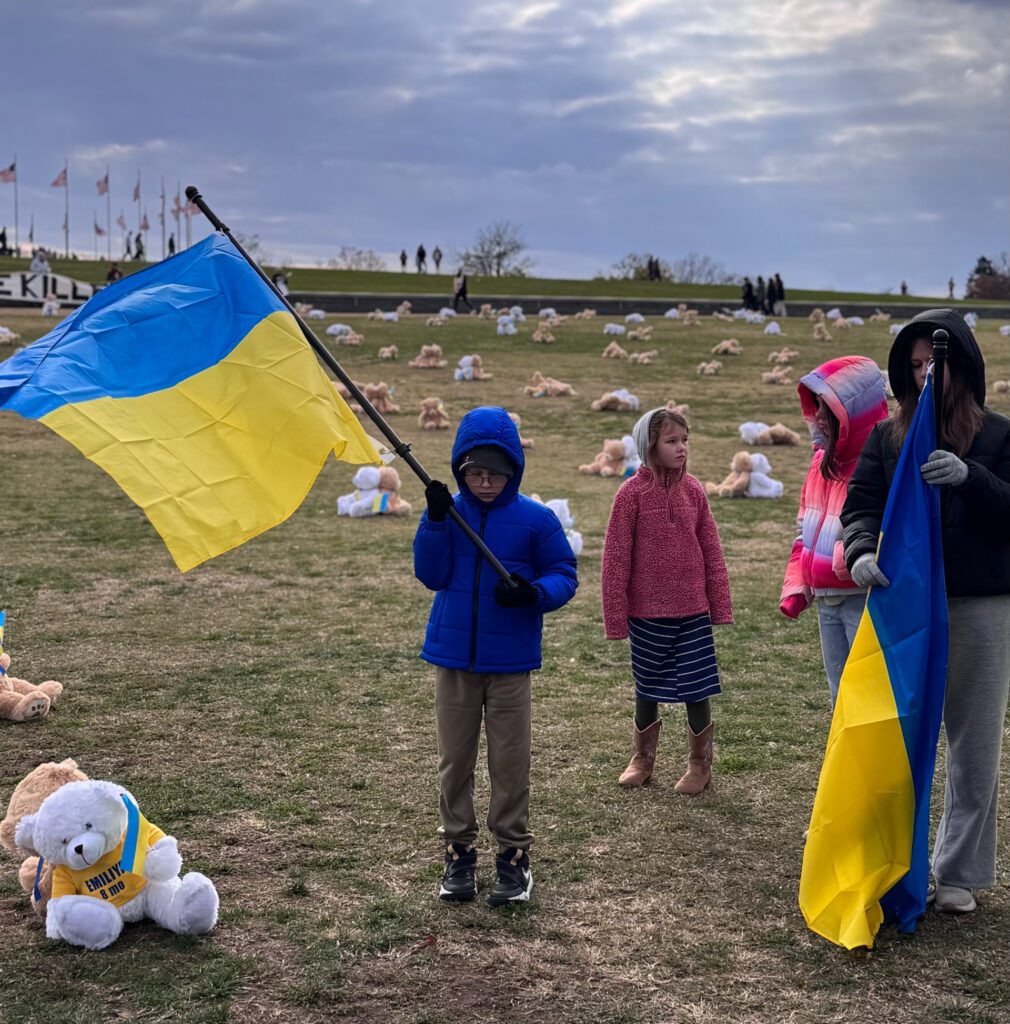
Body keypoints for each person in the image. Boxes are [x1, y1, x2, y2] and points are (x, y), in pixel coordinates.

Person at [841, 308, 1010, 915]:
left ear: (959, 366)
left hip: (981, 606)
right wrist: (860, 550)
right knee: (896, 735)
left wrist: (971, 478)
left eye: (932, 365)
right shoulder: (890, 437)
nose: (922, 377)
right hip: (908, 607)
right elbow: (860, 505)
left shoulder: (999, 435)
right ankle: (891, 861)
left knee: (974, 745)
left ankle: (959, 871)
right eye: (913, 366)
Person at [414, 406, 578, 906]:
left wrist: (534, 593)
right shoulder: (449, 514)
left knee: (510, 763)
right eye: (474, 473)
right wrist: (437, 522)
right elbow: (432, 574)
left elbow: (564, 574)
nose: (484, 483)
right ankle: (458, 852)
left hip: (510, 665)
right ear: (461, 470)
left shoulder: (536, 520)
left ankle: (513, 857)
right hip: (454, 662)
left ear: (513, 471)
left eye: (495, 473)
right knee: (454, 762)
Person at [601, 407, 733, 794]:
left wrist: (719, 604)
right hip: (646, 612)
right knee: (647, 685)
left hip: (692, 609)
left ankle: (699, 764)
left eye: (685, 440)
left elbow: (711, 548)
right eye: (671, 441)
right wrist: (616, 616)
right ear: (649, 445)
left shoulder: (694, 490)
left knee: (697, 686)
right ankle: (642, 759)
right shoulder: (630, 495)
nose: (681, 448)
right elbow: (615, 559)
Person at [780, 357, 889, 705]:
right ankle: (846, 759)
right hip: (826, 595)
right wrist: (799, 581)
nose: (821, 417)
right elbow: (804, 529)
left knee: (868, 693)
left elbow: (887, 525)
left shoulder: (878, 465)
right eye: (818, 408)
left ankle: (873, 759)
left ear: (855, 412)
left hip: (862, 596)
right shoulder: (819, 462)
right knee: (839, 693)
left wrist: (850, 554)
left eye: (829, 408)